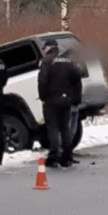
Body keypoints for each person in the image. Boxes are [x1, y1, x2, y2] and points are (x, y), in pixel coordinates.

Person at [38, 39, 83, 168]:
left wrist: (43, 97)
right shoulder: (68, 61)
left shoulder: (47, 61)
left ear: (49, 48)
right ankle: (67, 157)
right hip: (66, 100)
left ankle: (53, 157)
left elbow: (42, 81)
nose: (44, 50)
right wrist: (75, 98)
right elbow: (77, 80)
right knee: (65, 128)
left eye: (45, 48)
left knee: (53, 128)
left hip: (51, 100)